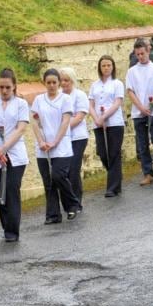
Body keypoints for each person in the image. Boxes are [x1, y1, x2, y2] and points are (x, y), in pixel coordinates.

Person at [0, 68, 29, 242]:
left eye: (7, 87)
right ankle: (7, 223)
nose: (4, 91)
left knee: (11, 189)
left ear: (14, 86)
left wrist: (5, 148)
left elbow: (21, 128)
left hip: (15, 154)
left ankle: (12, 231)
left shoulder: (21, 104)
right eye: (1, 87)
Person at [32, 68, 78, 223]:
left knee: (58, 176)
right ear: (44, 83)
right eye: (48, 82)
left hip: (61, 146)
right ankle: (53, 214)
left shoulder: (65, 99)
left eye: (54, 82)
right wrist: (41, 142)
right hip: (43, 148)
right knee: (48, 181)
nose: (51, 85)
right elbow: (35, 123)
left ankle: (71, 204)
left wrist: (55, 142)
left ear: (59, 83)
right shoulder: (38, 100)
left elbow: (65, 122)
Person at [126, 37, 153, 186]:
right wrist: (140, 107)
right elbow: (130, 91)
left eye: (142, 54)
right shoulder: (132, 71)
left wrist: (152, 105)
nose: (140, 57)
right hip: (139, 112)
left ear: (147, 52)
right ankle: (148, 173)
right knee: (142, 144)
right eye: (137, 54)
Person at [89, 55, 125, 198]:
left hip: (114, 123)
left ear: (113, 67)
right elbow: (90, 104)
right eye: (103, 65)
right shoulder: (94, 85)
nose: (106, 68)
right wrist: (97, 118)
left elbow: (117, 103)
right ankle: (117, 178)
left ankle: (112, 187)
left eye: (109, 65)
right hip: (98, 123)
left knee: (114, 153)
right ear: (100, 67)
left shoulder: (117, 83)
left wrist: (104, 116)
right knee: (103, 153)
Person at [58, 67, 89, 213]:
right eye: (61, 80)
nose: (64, 83)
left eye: (66, 80)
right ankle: (69, 202)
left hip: (77, 137)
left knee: (73, 169)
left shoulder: (80, 95)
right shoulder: (57, 97)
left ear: (72, 81)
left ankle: (76, 202)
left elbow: (79, 116)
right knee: (64, 172)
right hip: (63, 139)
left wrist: (63, 128)